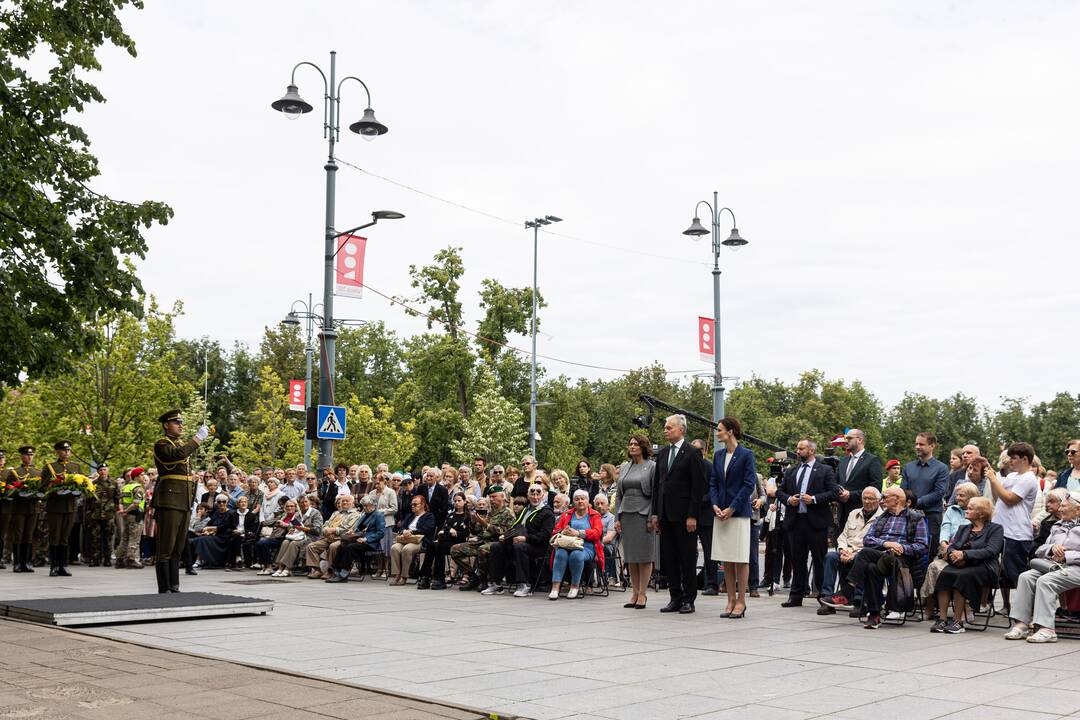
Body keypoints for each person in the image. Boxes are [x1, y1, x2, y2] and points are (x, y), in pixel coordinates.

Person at [826, 486, 929, 629]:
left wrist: (902, 547)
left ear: (897, 499)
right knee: (870, 568)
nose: (882, 500)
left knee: (865, 553)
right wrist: (886, 543)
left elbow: (923, 546)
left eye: (885, 497)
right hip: (881, 557)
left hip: (902, 560)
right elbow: (868, 539)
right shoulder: (883, 517)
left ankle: (847, 591)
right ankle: (874, 614)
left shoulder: (915, 518)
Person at [1006, 489, 1080, 643]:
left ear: (1078, 509)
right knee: (1026, 577)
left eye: (1064, 506)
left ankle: (1047, 629)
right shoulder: (1057, 526)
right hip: (1055, 565)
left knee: (1046, 581)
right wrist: (1052, 548)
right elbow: (1040, 550)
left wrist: (1067, 555)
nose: (1060, 509)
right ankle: (1022, 624)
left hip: (1075, 567)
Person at [651, 414, 707, 615]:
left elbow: (698, 487)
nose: (665, 430)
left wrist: (693, 515)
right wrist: (655, 514)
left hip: (684, 516)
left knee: (686, 558)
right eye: (665, 428)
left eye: (669, 427)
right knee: (670, 558)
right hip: (666, 514)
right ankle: (674, 597)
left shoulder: (692, 452)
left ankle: (688, 599)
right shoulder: (663, 453)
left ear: (681, 430)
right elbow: (658, 485)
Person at [777, 439, 839, 608]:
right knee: (797, 559)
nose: (797, 451)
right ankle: (796, 595)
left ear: (811, 451)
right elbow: (780, 491)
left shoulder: (825, 470)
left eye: (801, 448)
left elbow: (834, 492)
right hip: (795, 521)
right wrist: (789, 499)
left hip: (816, 522)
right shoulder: (791, 471)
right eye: (797, 448)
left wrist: (814, 499)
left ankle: (822, 595)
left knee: (819, 559)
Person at [151, 409, 207, 593]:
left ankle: (174, 586)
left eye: (181, 422)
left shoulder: (179, 444)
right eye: (177, 423)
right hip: (169, 500)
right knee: (166, 546)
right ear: (166, 425)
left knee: (177, 546)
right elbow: (177, 455)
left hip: (183, 501)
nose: (181, 425)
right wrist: (197, 439)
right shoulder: (162, 444)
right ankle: (164, 587)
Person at [931, 496, 1003, 634]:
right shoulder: (964, 528)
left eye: (970, 508)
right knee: (945, 573)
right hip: (961, 564)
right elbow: (952, 546)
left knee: (961, 577)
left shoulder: (995, 529)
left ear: (981, 513)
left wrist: (964, 555)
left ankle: (958, 622)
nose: (966, 510)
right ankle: (942, 619)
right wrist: (954, 554)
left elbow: (991, 551)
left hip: (985, 566)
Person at [709, 417, 757, 619]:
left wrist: (732, 508)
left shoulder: (746, 454)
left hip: (738, 514)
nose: (717, 433)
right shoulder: (718, 455)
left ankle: (741, 601)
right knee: (726, 559)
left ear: (730, 431)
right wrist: (715, 505)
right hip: (720, 513)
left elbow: (748, 484)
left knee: (740, 558)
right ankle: (729, 599)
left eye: (719, 430)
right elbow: (713, 482)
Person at [987, 442, 1041, 614]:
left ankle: (1028, 611)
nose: (1010, 461)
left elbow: (1010, 499)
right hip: (1001, 529)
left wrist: (994, 480)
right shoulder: (1012, 477)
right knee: (1002, 574)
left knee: (1017, 574)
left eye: (1014, 458)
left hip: (1017, 533)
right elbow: (998, 498)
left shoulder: (1029, 478)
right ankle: (1007, 606)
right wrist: (993, 481)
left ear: (1025, 459)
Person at [818, 486, 883, 615]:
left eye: (871, 499)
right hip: (847, 551)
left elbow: (875, 544)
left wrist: (854, 553)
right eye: (865, 498)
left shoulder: (882, 517)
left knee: (862, 559)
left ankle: (859, 601)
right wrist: (842, 549)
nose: (867, 501)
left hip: (862, 553)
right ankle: (827, 599)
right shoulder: (854, 513)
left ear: (878, 500)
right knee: (830, 557)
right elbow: (843, 536)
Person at [483, 484, 556, 597]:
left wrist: (526, 538)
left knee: (520, 546)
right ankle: (496, 584)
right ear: (528, 495)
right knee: (496, 546)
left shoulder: (547, 513)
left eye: (538, 494)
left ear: (543, 496)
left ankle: (524, 584)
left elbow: (545, 535)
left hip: (538, 546)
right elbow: (516, 527)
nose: (535, 497)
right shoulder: (525, 510)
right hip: (519, 541)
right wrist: (506, 536)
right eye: (532, 494)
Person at [920, 480, 979, 618]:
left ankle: (965, 608)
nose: (957, 498)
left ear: (971, 497)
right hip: (947, 550)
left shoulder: (978, 511)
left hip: (967, 553)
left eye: (961, 495)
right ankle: (930, 607)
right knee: (933, 567)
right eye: (957, 495)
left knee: (963, 571)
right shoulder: (951, 510)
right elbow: (945, 528)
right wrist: (944, 544)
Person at [616, 434, 656, 609]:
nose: (632, 447)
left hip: (643, 513)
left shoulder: (652, 466)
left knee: (644, 556)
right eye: (630, 444)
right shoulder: (625, 467)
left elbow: (655, 495)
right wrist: (617, 517)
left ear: (643, 447)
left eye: (635, 444)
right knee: (631, 557)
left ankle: (642, 594)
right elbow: (618, 494)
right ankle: (633, 592)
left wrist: (652, 517)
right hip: (626, 514)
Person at [548, 489, 604, 600]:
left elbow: (597, 533)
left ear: (588, 501)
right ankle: (555, 587)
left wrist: (579, 533)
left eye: (583, 499)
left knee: (576, 555)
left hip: (587, 547)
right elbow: (555, 530)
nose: (580, 501)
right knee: (560, 553)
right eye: (577, 499)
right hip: (567, 544)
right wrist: (562, 531)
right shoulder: (567, 514)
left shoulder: (594, 515)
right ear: (573, 501)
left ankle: (575, 586)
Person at [454, 491, 515, 591]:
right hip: (481, 540)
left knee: (483, 550)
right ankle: (474, 577)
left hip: (496, 543)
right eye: (490, 497)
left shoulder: (508, 513)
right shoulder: (489, 512)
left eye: (494, 497)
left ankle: (484, 580)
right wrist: (473, 523)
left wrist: (486, 525)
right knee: (455, 549)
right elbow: (476, 531)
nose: (491, 499)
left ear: (502, 497)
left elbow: (506, 532)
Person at [40, 440, 81, 577]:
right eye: (63, 450)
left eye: (68, 450)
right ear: (57, 452)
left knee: (65, 537)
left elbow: (82, 484)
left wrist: (78, 490)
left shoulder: (76, 466)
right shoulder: (50, 467)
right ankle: (54, 566)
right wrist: (54, 489)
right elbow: (43, 487)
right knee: (55, 536)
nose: (66, 453)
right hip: (55, 506)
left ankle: (63, 565)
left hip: (70, 506)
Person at [901, 432, 949, 549]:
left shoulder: (941, 468)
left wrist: (917, 502)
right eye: (916, 444)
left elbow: (939, 492)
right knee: (907, 547)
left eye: (921, 444)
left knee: (928, 550)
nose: (917, 446)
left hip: (931, 516)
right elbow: (903, 490)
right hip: (909, 514)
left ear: (932, 446)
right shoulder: (908, 467)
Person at [835, 430, 883, 540]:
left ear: (860, 440)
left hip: (862, 513)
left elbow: (876, 487)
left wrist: (851, 495)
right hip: (842, 512)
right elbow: (835, 482)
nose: (845, 441)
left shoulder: (872, 460)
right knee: (842, 547)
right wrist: (838, 493)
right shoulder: (843, 461)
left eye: (849, 438)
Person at [327, 495, 386, 583]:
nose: (364, 508)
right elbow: (359, 528)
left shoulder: (378, 515)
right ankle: (336, 570)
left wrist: (366, 539)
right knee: (342, 546)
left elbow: (380, 533)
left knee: (350, 547)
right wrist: (352, 532)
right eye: (364, 505)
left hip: (370, 543)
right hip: (359, 539)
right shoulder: (364, 514)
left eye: (367, 506)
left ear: (373, 506)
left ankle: (344, 573)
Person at [304, 493, 360, 579]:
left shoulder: (355, 514)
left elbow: (348, 528)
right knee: (311, 546)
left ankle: (330, 570)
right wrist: (326, 531)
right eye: (342, 501)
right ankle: (317, 570)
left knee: (333, 546)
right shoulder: (336, 513)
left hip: (342, 538)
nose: (344, 502)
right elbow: (326, 523)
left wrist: (333, 531)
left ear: (352, 503)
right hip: (328, 536)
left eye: (347, 501)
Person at [5, 446, 41, 573]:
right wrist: (18, 492)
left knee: (29, 535)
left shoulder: (38, 472)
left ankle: (27, 562)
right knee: (18, 535)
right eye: (27, 455)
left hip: (33, 507)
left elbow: (42, 489)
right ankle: (17, 563)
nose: (29, 457)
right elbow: (8, 491)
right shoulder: (15, 472)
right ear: (22, 456)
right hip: (19, 508)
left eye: (31, 455)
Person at [425, 492, 471, 589]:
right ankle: (425, 575)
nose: (457, 503)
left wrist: (456, 533)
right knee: (431, 545)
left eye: (459, 501)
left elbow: (465, 534)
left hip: (458, 542)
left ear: (464, 501)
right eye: (455, 501)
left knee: (439, 546)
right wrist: (443, 531)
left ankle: (440, 578)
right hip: (446, 539)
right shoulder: (450, 515)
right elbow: (444, 527)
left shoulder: (467, 516)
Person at [692, 438, 720, 597]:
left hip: (706, 515)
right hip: (690, 515)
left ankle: (712, 583)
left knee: (710, 551)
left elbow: (713, 490)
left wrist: (698, 501)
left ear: (703, 451)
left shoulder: (709, 467)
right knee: (689, 550)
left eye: (697, 450)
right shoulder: (688, 466)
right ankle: (689, 580)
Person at [270, 494, 323, 576]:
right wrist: (292, 529)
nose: (304, 504)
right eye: (301, 502)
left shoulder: (315, 513)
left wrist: (303, 528)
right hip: (298, 536)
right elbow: (292, 526)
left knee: (294, 543)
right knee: (286, 541)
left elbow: (317, 530)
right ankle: (280, 567)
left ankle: (288, 568)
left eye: (306, 502)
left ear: (309, 503)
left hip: (311, 537)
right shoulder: (298, 514)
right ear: (298, 504)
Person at [389, 495, 435, 585]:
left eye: (415, 504)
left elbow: (427, 529)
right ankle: (396, 574)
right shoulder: (410, 516)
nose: (412, 506)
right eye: (412, 504)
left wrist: (412, 532)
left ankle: (404, 576)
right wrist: (404, 531)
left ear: (422, 505)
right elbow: (402, 527)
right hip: (406, 539)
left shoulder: (429, 516)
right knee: (394, 548)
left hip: (419, 540)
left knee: (407, 549)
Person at [84, 463, 118, 567]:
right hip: (95, 514)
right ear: (98, 472)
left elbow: (117, 497)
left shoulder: (114, 483)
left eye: (104, 469)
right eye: (101, 470)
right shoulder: (93, 483)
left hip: (109, 514)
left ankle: (107, 559)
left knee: (108, 537)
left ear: (107, 470)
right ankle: (95, 559)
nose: (103, 472)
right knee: (95, 537)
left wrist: (115, 510)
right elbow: (88, 499)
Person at [117, 468, 147, 569]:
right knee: (134, 538)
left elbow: (120, 502)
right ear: (137, 477)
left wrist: (122, 511)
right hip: (135, 515)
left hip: (126, 516)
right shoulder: (138, 488)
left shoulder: (125, 487)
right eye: (142, 475)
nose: (144, 477)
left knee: (125, 537)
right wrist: (126, 511)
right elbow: (136, 504)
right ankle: (131, 559)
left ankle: (119, 559)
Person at [594, 493, 619, 585]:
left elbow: (609, 538)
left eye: (602, 503)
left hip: (607, 546)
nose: (600, 506)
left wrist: (594, 542)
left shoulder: (612, 518)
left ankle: (607, 576)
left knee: (601, 547)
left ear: (607, 505)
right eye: (597, 504)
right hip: (594, 543)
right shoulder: (592, 517)